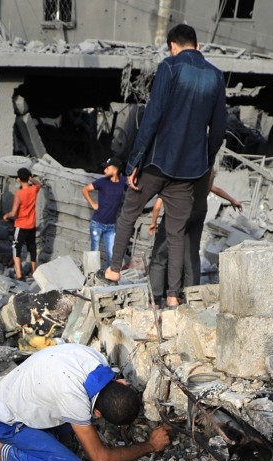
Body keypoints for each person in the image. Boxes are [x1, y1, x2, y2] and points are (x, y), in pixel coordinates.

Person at [105, 23, 226, 308]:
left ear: (173, 45)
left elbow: (153, 116)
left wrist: (134, 161)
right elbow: (219, 129)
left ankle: (112, 271)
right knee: (176, 234)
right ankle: (173, 296)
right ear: (197, 45)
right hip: (189, 171)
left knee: (128, 213)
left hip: (156, 163)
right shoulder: (216, 76)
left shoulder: (169, 67)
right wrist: (204, 163)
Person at [0, 344, 171, 461]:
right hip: (7, 423)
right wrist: (150, 446)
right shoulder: (73, 397)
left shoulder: (97, 361)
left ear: (121, 383)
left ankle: (39, 445)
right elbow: (101, 460)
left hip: (23, 398)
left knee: (71, 443)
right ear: (97, 414)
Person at [147, 172, 243, 296]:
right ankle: (191, 295)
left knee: (160, 254)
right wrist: (233, 200)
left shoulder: (181, 175)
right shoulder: (204, 173)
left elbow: (157, 206)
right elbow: (215, 189)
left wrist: (153, 223)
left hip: (178, 213)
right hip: (199, 212)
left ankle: (156, 296)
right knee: (191, 255)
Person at [82, 156, 126, 267]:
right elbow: (85, 189)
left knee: (111, 253)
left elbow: (135, 183)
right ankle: (92, 276)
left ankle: (107, 277)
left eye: (107, 168)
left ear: (115, 169)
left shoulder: (123, 182)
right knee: (94, 251)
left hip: (111, 226)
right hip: (97, 224)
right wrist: (92, 204)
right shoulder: (101, 182)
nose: (104, 170)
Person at [3, 168, 40, 280]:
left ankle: (19, 273)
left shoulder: (19, 194)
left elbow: (14, 213)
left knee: (16, 247)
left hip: (21, 225)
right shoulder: (34, 189)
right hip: (31, 224)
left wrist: (6, 215)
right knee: (32, 247)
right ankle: (34, 271)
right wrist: (30, 178)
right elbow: (39, 183)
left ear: (18, 179)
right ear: (28, 178)